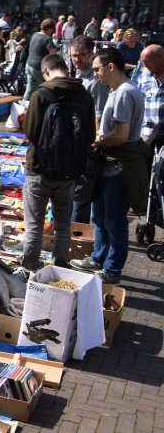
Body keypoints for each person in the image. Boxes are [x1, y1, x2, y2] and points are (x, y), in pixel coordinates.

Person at [71, 48, 148, 284]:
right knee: (102, 217)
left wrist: (96, 139)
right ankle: (98, 258)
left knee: (115, 222)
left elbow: (122, 135)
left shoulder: (124, 93)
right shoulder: (118, 90)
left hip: (118, 168)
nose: (96, 75)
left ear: (111, 66)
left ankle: (112, 270)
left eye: (97, 69)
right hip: (110, 166)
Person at [20, 54, 95, 272]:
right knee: (63, 223)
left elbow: (31, 132)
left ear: (45, 71)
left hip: (39, 169)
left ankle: (29, 270)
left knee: (34, 224)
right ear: (65, 68)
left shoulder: (41, 94)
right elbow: (90, 135)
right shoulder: (84, 95)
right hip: (70, 169)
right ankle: (60, 265)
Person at [137, 44, 164, 145]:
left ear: (160, 57)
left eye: (147, 61)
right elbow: (138, 101)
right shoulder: (143, 77)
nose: (144, 65)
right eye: (142, 62)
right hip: (147, 131)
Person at [25, 19, 57, 99]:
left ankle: (24, 106)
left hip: (29, 65)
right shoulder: (47, 39)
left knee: (30, 88)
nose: (52, 31)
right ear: (49, 29)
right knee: (47, 88)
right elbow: (53, 56)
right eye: (52, 29)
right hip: (39, 68)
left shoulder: (34, 34)